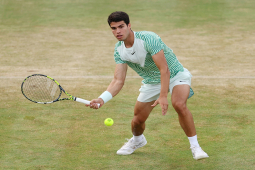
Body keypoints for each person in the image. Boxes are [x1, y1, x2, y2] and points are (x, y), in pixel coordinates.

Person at [86, 11, 209, 160]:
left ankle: (196, 147)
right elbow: (118, 80)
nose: (118, 31)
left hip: (175, 74)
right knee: (137, 120)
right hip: (151, 82)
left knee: (179, 104)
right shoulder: (119, 50)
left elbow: (164, 69)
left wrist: (163, 96)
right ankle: (138, 140)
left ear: (129, 25)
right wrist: (102, 99)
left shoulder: (149, 39)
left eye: (121, 26)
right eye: (113, 28)